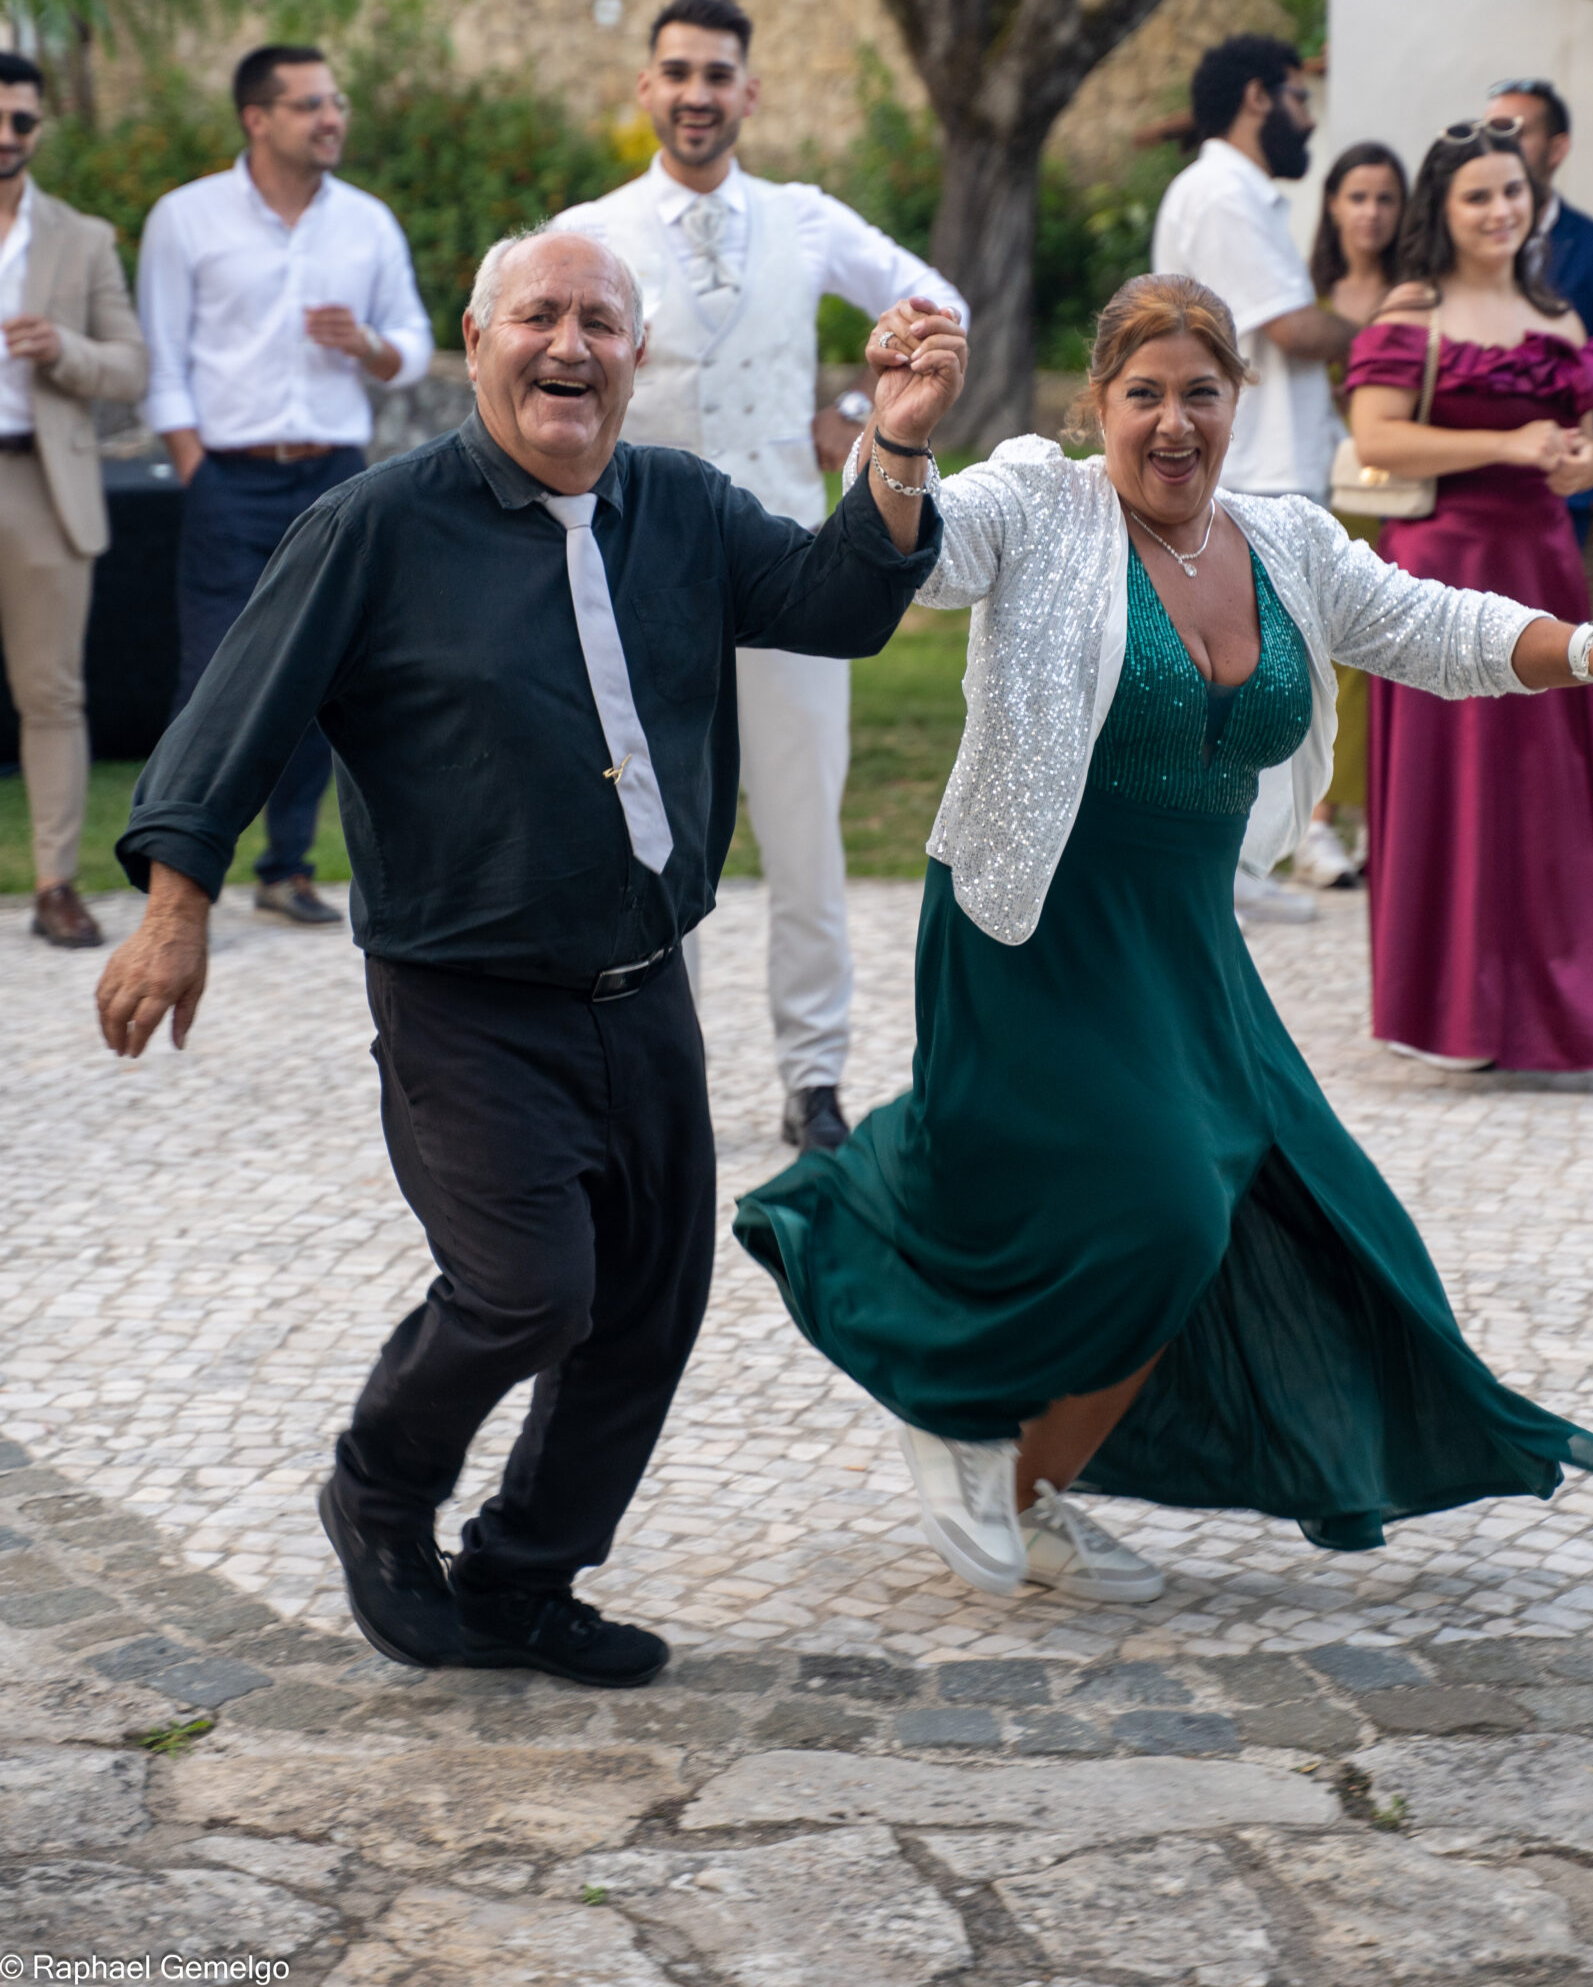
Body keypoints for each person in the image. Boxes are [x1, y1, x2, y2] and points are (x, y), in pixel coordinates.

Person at [734, 273, 1593, 1606]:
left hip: (1182, 939)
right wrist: (898, 438)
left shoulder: (1286, 540)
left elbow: (1427, 624)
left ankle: (1035, 1489)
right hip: (1034, 920)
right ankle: (958, 1409)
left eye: (1199, 393)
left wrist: (1582, 647)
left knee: (1270, 1210)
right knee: (1162, 1206)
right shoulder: (1037, 501)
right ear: (1098, 404)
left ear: (1237, 402)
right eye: (1144, 395)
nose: (1172, 422)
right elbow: (917, 558)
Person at [96, 226, 965, 1683]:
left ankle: (520, 1581)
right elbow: (236, 708)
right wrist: (176, 908)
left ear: (636, 356)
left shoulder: (682, 503)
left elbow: (837, 604)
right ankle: (378, 1488)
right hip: (464, 998)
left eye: (600, 323)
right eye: (539, 316)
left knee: (647, 1307)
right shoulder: (377, 527)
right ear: (476, 338)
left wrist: (896, 443)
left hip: (644, 986)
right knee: (530, 1288)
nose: (570, 345)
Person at [554, 0, 970, 1155]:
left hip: (791, 565)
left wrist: (859, 411)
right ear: (648, 88)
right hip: (639, 567)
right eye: (679, 72)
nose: (698, 94)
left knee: (805, 831)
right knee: (652, 831)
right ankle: (659, 1073)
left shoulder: (803, 218)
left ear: (750, 91)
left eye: (718, 74)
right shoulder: (592, 228)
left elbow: (939, 306)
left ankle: (815, 1075)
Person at [1348, 122, 1593, 1072]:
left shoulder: (1558, 317)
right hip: (1442, 566)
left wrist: (1579, 463)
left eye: (1511, 191)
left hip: (1542, 562)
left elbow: (1584, 442)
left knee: (1540, 781)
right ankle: (1445, 1012)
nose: (1498, 210)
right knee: (1450, 776)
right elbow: (1376, 437)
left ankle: (1556, 1010)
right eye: (1476, 195)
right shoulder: (1412, 311)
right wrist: (1505, 444)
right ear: (1442, 208)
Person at [135, 44, 435, 925]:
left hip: (335, 480)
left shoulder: (368, 223)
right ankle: (177, 885)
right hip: (226, 477)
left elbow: (414, 346)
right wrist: (195, 467)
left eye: (336, 102)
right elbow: (163, 360)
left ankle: (287, 868)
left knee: (320, 673)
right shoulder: (185, 218)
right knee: (209, 681)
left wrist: (366, 345)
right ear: (256, 118)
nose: (331, 118)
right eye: (310, 105)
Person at [1152, 33, 1351, 924]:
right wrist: (1393, 327)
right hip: (1254, 470)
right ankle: (1224, 874)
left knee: (1254, 675)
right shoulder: (1223, 194)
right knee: (1235, 674)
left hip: (1263, 464)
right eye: (1298, 98)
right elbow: (1294, 329)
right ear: (1258, 98)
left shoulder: (1231, 193)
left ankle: (1237, 867)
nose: (1307, 119)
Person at [0, 52, 149, 949]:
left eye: (21, 119)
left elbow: (130, 367)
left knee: (52, 693)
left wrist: (62, 348)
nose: (6, 135)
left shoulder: (81, 238)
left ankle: (55, 882)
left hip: (40, 482)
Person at [1291, 143, 1408, 890]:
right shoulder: (1305, 295)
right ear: (1333, 204)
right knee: (1330, 651)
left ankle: (1378, 819)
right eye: (1357, 196)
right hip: (1322, 485)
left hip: (1399, 489)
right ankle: (1316, 823)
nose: (1370, 212)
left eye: (1385, 198)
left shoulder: (1416, 294)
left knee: (1391, 647)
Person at [1486, 77, 1593, 544]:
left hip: (1554, 511)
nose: (1497, 144)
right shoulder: (1450, 252)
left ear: (1557, 149)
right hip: (1461, 502)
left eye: (1514, 131)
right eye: (1490, 131)